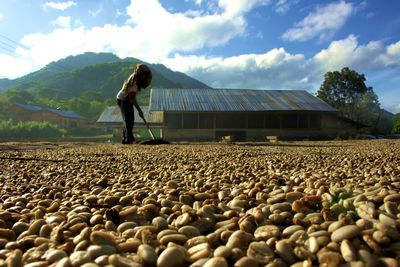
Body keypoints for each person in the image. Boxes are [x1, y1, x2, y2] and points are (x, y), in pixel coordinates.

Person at [116, 64, 152, 144]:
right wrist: (139, 110)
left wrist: (139, 110)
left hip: (126, 100)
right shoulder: (134, 83)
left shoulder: (136, 79)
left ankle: (125, 139)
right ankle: (129, 139)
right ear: (140, 74)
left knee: (129, 119)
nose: (145, 77)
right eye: (144, 75)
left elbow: (131, 99)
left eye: (146, 75)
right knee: (129, 119)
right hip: (123, 100)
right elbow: (132, 100)